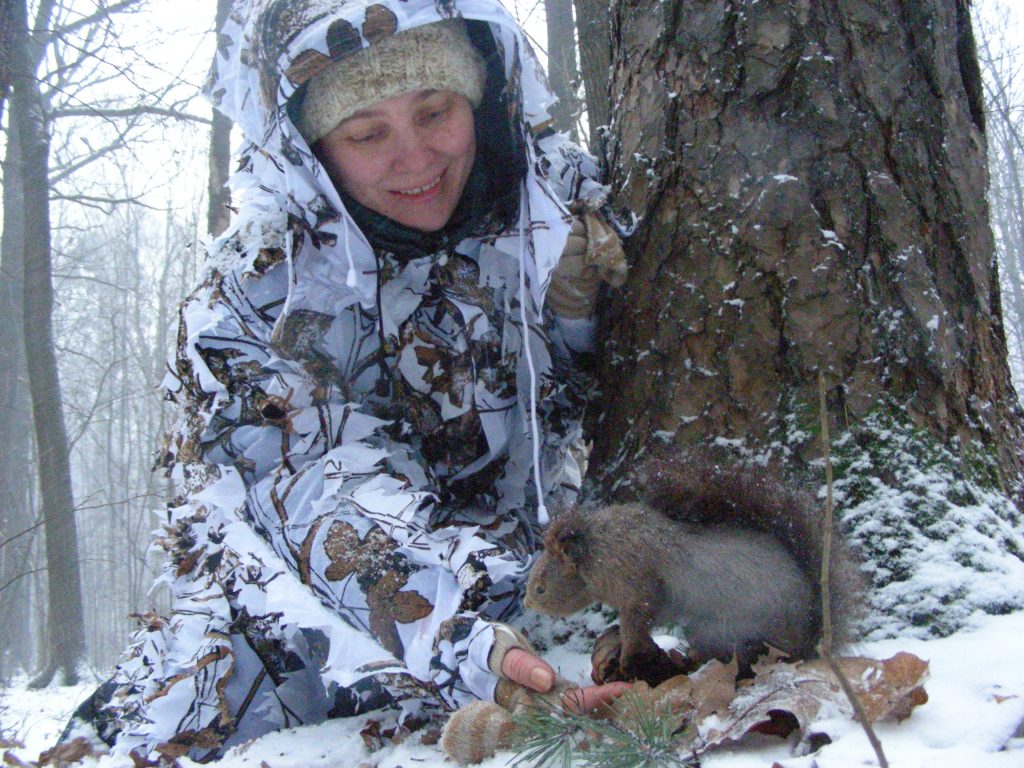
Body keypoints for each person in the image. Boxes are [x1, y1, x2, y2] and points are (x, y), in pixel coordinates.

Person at [67, 0, 628, 760]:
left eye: (435, 111)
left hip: (528, 616)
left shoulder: (553, 209)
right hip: (272, 679)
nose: (416, 158)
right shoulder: (258, 299)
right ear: (311, 148)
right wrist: (459, 635)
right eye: (367, 133)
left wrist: (582, 316)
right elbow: (320, 492)